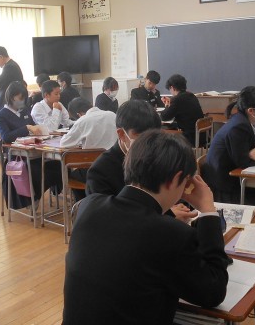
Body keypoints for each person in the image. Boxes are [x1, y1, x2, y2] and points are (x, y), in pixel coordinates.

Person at [64, 130, 231, 325]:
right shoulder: (171, 234)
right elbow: (213, 292)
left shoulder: (88, 206)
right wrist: (208, 211)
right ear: (176, 179)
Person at [206, 86, 255, 203]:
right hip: (227, 188)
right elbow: (244, 162)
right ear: (251, 111)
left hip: (236, 179)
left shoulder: (248, 121)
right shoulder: (239, 127)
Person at [0, 82, 62, 207]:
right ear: (11, 97)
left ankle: (47, 193)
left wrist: (40, 131)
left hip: (34, 150)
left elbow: (34, 128)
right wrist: (27, 128)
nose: (23, 101)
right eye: (20, 98)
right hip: (18, 156)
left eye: (24, 98)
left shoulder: (24, 110)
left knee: (56, 164)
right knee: (35, 170)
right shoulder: (1, 115)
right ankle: (32, 198)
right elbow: (6, 137)